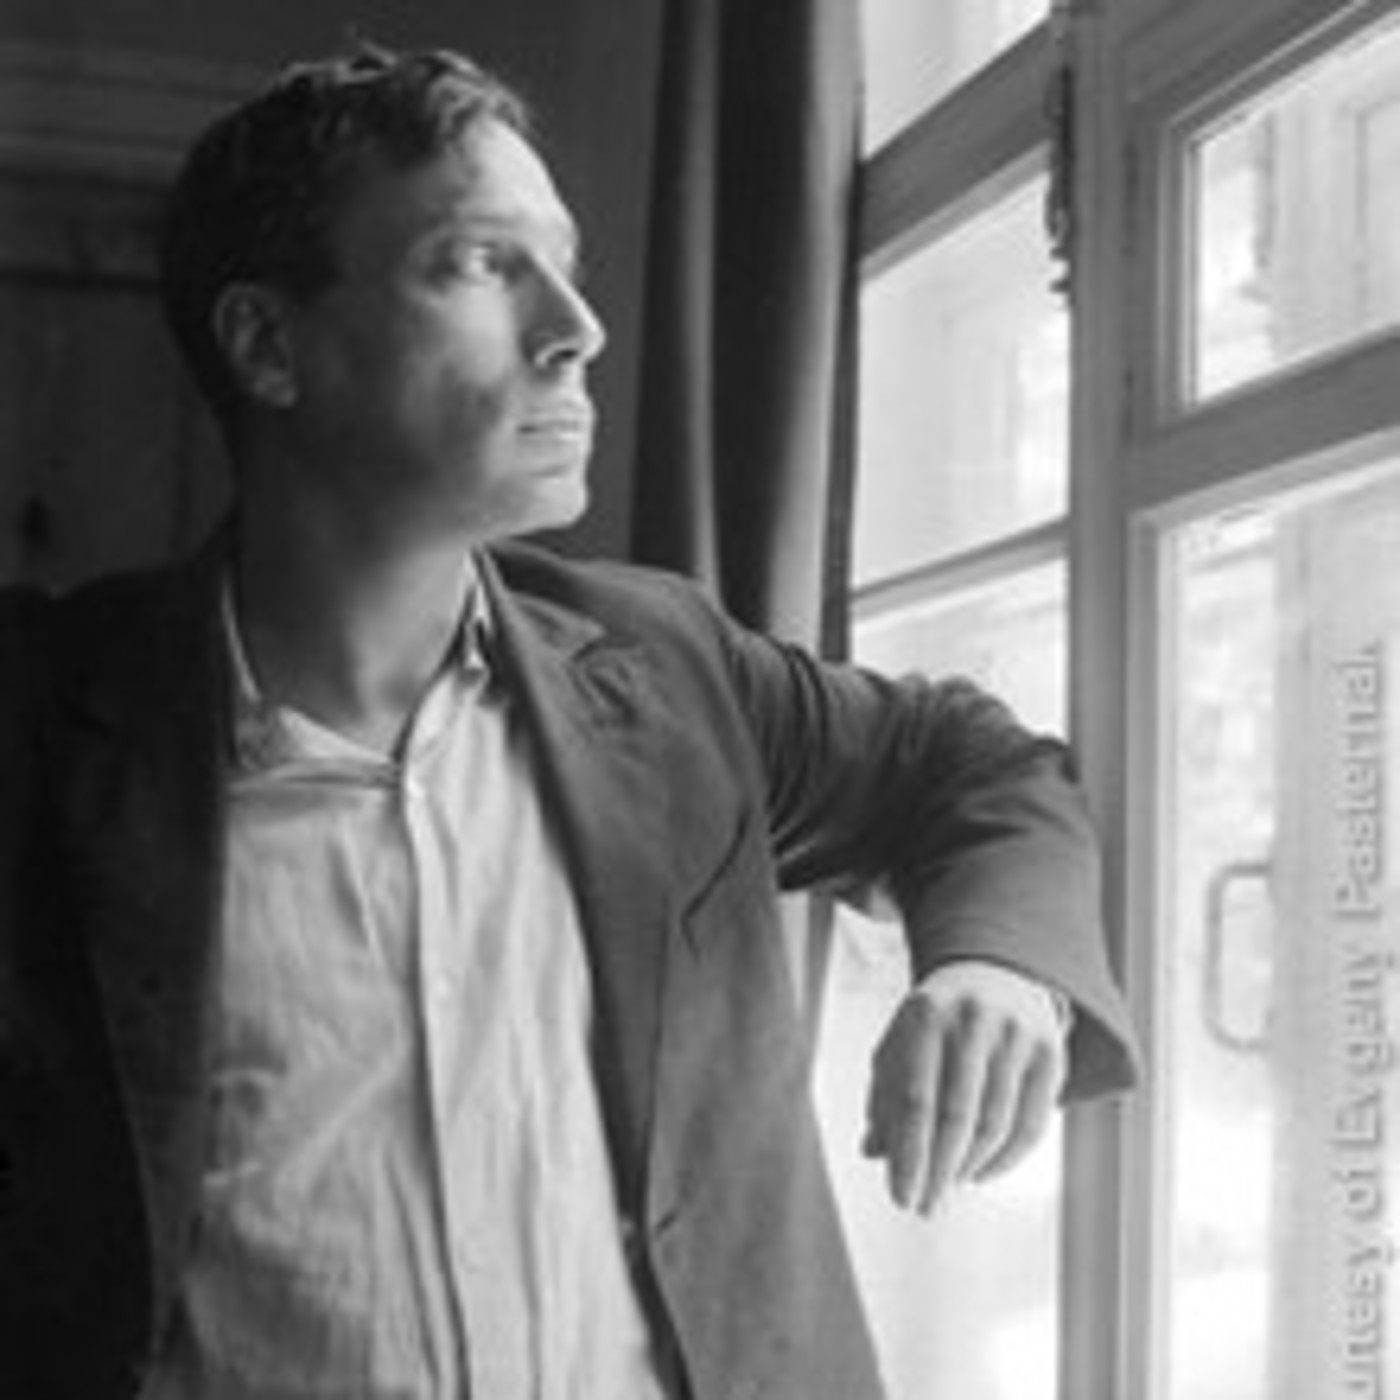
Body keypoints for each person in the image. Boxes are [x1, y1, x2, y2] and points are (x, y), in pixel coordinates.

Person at [0, 44, 1137, 1400]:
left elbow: (974, 765)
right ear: (267, 344)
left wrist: (999, 969)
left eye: (567, 263)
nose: (580, 327)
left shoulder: (665, 669)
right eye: (483, 263)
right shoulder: (40, 727)